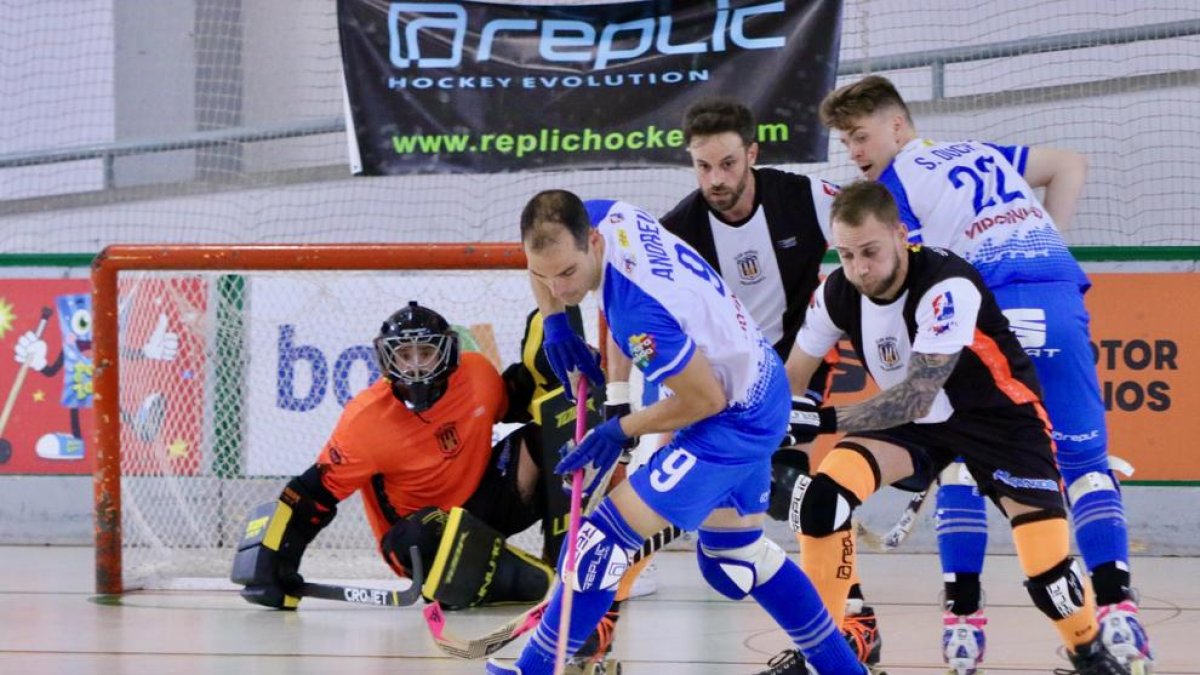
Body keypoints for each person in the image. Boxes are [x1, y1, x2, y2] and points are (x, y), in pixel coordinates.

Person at [818, 75, 1151, 673]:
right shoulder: (981, 152)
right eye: (846, 144)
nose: (856, 155)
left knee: (964, 448)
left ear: (898, 127)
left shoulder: (892, 193)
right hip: (1057, 293)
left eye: (860, 137)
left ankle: (964, 620)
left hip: (988, 310)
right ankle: (1119, 616)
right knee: (1084, 465)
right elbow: (1069, 165)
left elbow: (901, 287)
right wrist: (1050, 240)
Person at [486, 190, 869, 675]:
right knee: (734, 560)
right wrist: (557, 324)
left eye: (568, 275)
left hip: (734, 415)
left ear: (594, 243)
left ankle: (533, 669)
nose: (559, 288)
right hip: (756, 382)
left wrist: (618, 429)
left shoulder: (639, 313)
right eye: (544, 276)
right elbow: (544, 260)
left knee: (599, 545)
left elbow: (702, 400)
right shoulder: (605, 214)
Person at [656, 98, 882, 668]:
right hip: (720, 381)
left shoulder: (802, 196)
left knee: (795, 484)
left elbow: (881, 219)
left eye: (728, 164)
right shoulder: (677, 231)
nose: (716, 180)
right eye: (703, 167)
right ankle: (602, 611)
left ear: (752, 154)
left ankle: (852, 619)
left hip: (794, 361)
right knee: (659, 489)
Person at [233, 301, 572, 613]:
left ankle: (562, 557)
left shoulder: (477, 374)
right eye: (404, 355)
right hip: (415, 535)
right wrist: (278, 559)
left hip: (484, 505)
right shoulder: (365, 421)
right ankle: (516, 579)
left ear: (446, 353)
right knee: (421, 535)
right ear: (387, 359)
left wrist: (549, 368)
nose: (415, 366)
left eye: (425, 353)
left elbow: (518, 402)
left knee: (550, 439)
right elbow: (312, 496)